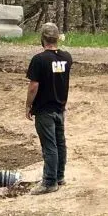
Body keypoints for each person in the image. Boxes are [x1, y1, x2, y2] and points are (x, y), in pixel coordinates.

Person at [26, 22, 72, 194]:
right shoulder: (67, 57)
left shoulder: (39, 60)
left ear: (43, 39)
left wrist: (28, 104)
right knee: (60, 143)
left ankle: (49, 182)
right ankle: (59, 176)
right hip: (60, 108)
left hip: (44, 110)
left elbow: (33, 86)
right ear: (57, 38)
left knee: (49, 146)